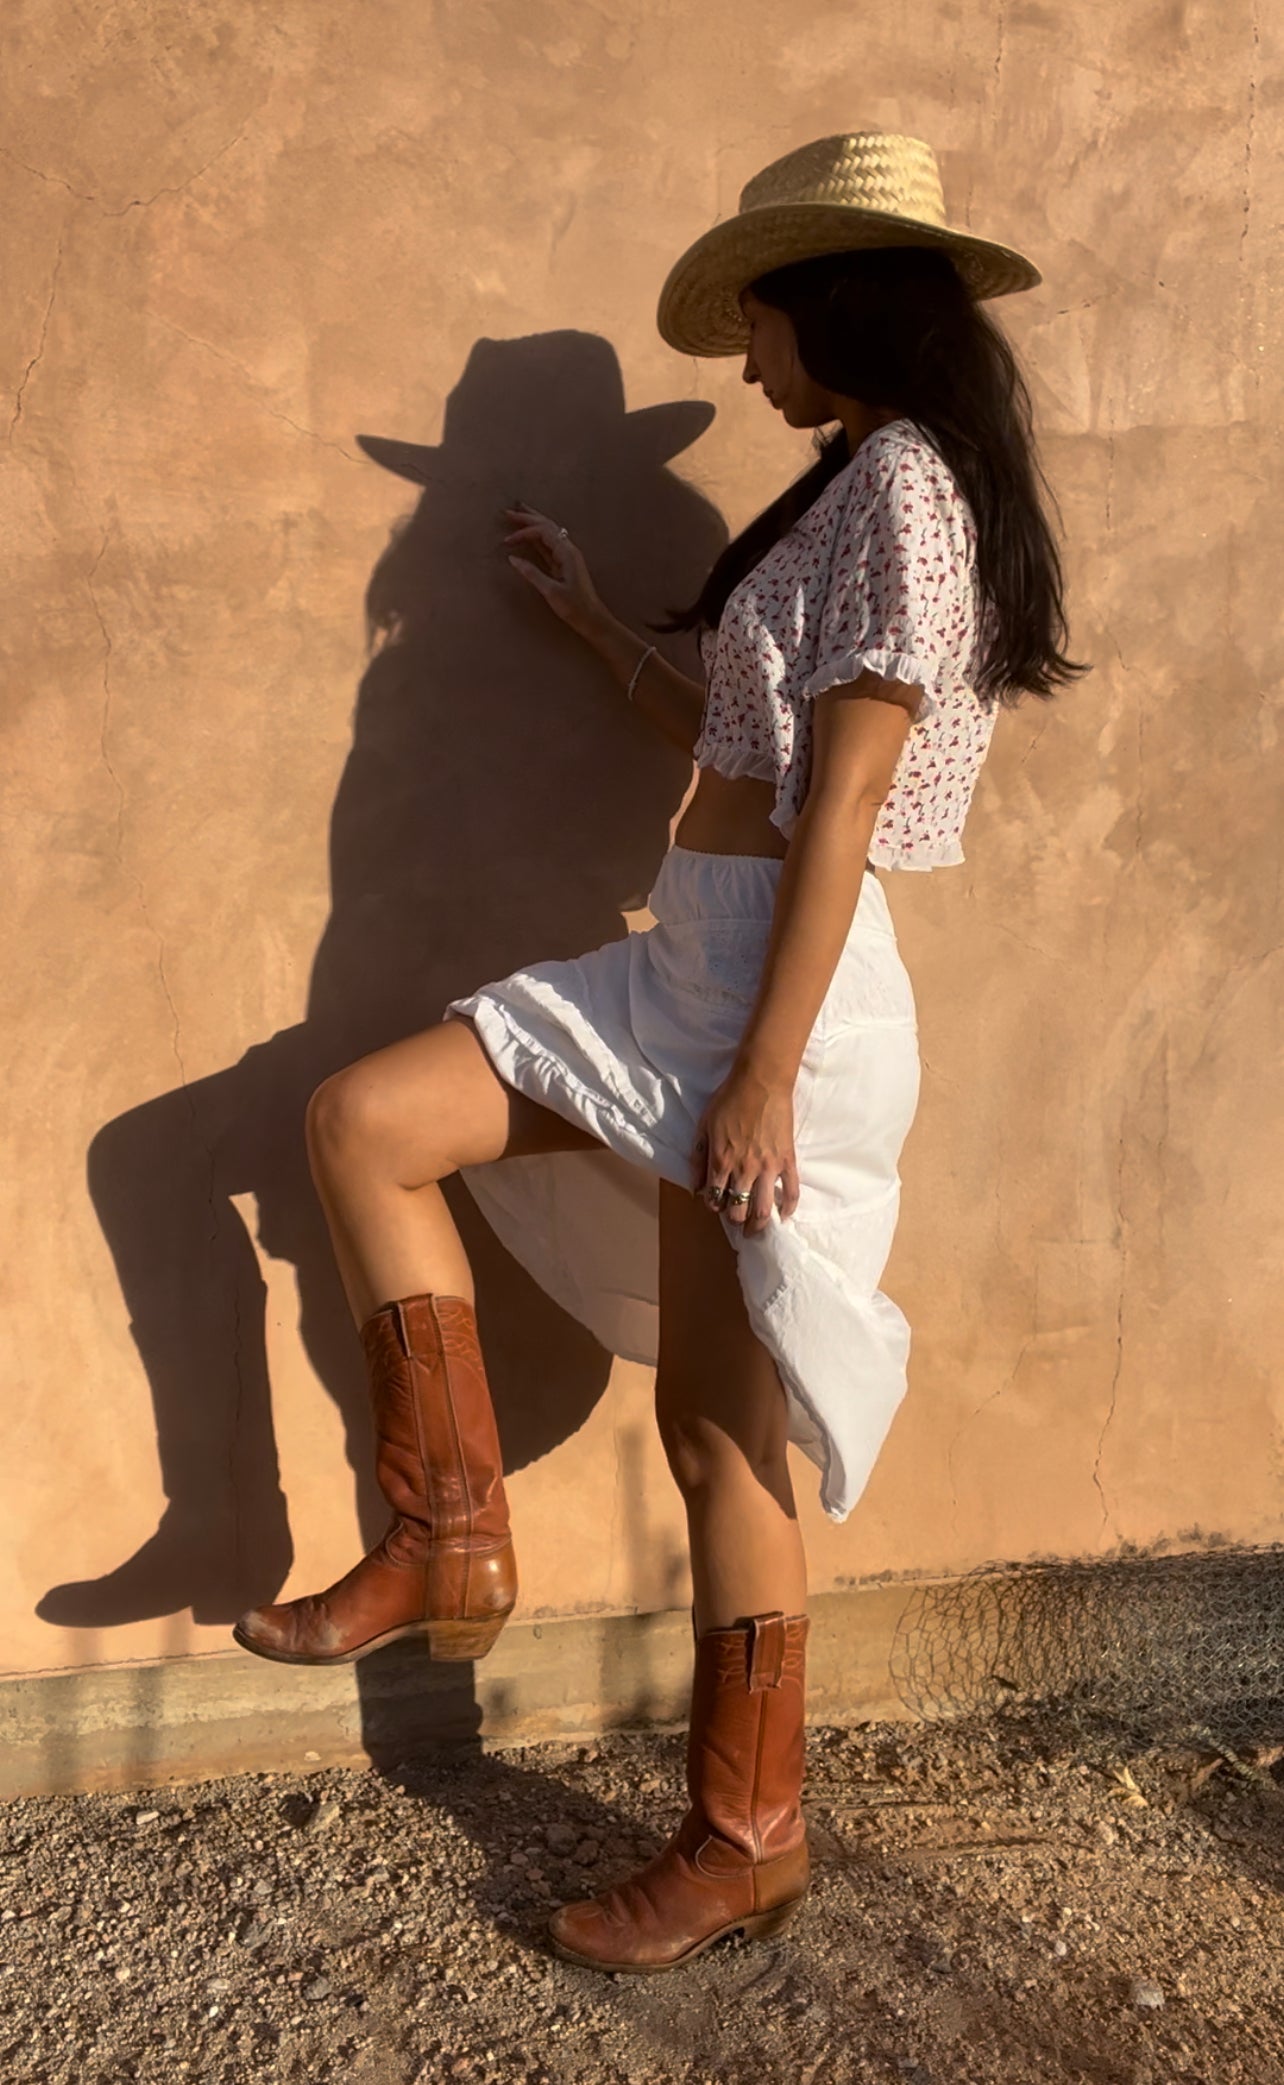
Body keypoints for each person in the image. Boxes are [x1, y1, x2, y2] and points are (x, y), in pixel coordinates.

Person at [233, 129, 1085, 1973]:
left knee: (719, 1439)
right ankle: (448, 1535)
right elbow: (743, 733)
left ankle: (746, 1834)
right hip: (688, 971)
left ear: (834, 299)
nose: (748, 365)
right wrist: (589, 618)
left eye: (759, 325)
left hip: (781, 991)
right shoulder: (854, 482)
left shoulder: (914, 489)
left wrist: (763, 1076)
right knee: (366, 1121)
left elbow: (846, 795)